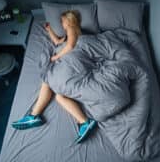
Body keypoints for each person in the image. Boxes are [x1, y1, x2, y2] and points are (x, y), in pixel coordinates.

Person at [11, 10, 97, 144]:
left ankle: (34, 116)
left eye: (62, 21)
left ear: (69, 22)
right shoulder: (67, 35)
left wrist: (56, 57)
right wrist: (49, 29)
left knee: (48, 78)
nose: (62, 24)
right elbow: (58, 42)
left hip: (75, 64)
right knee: (58, 95)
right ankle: (84, 121)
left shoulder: (73, 30)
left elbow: (70, 46)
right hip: (70, 65)